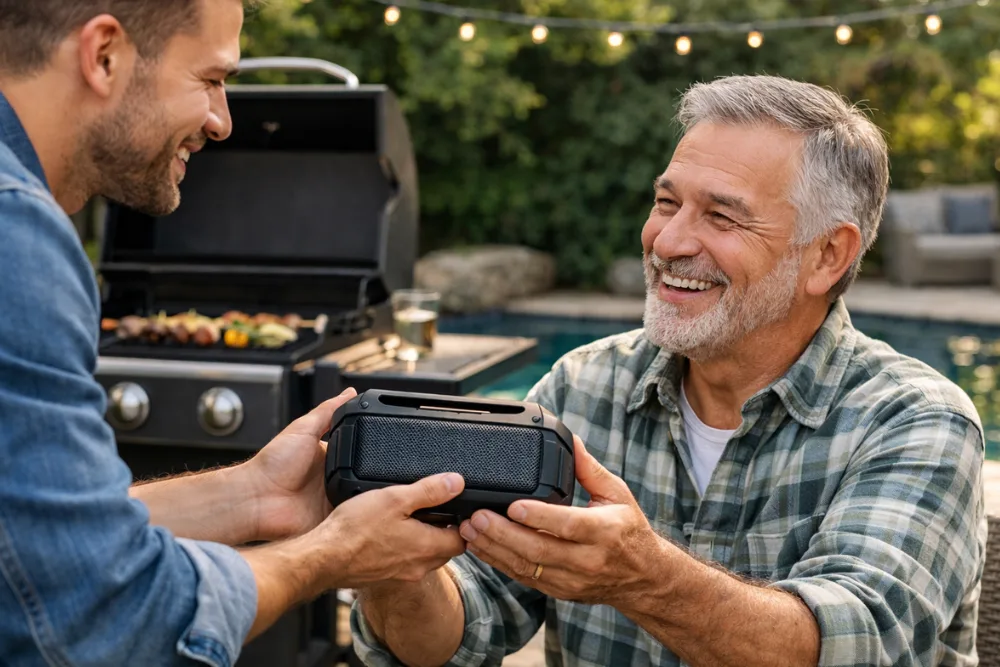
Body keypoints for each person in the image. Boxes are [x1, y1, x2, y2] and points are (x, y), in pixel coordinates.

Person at [353, 75, 987, 666]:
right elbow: (463, 628)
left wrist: (645, 578)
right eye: (666, 201)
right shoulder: (583, 386)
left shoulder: (917, 421)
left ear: (827, 255)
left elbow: (857, 643)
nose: (668, 241)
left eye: (721, 216)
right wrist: (389, 563)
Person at [0, 2, 469, 666]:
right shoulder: (16, 235)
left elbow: (30, 543)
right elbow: (109, 615)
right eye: (211, 79)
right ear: (104, 55)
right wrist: (333, 553)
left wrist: (253, 494)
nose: (223, 122)